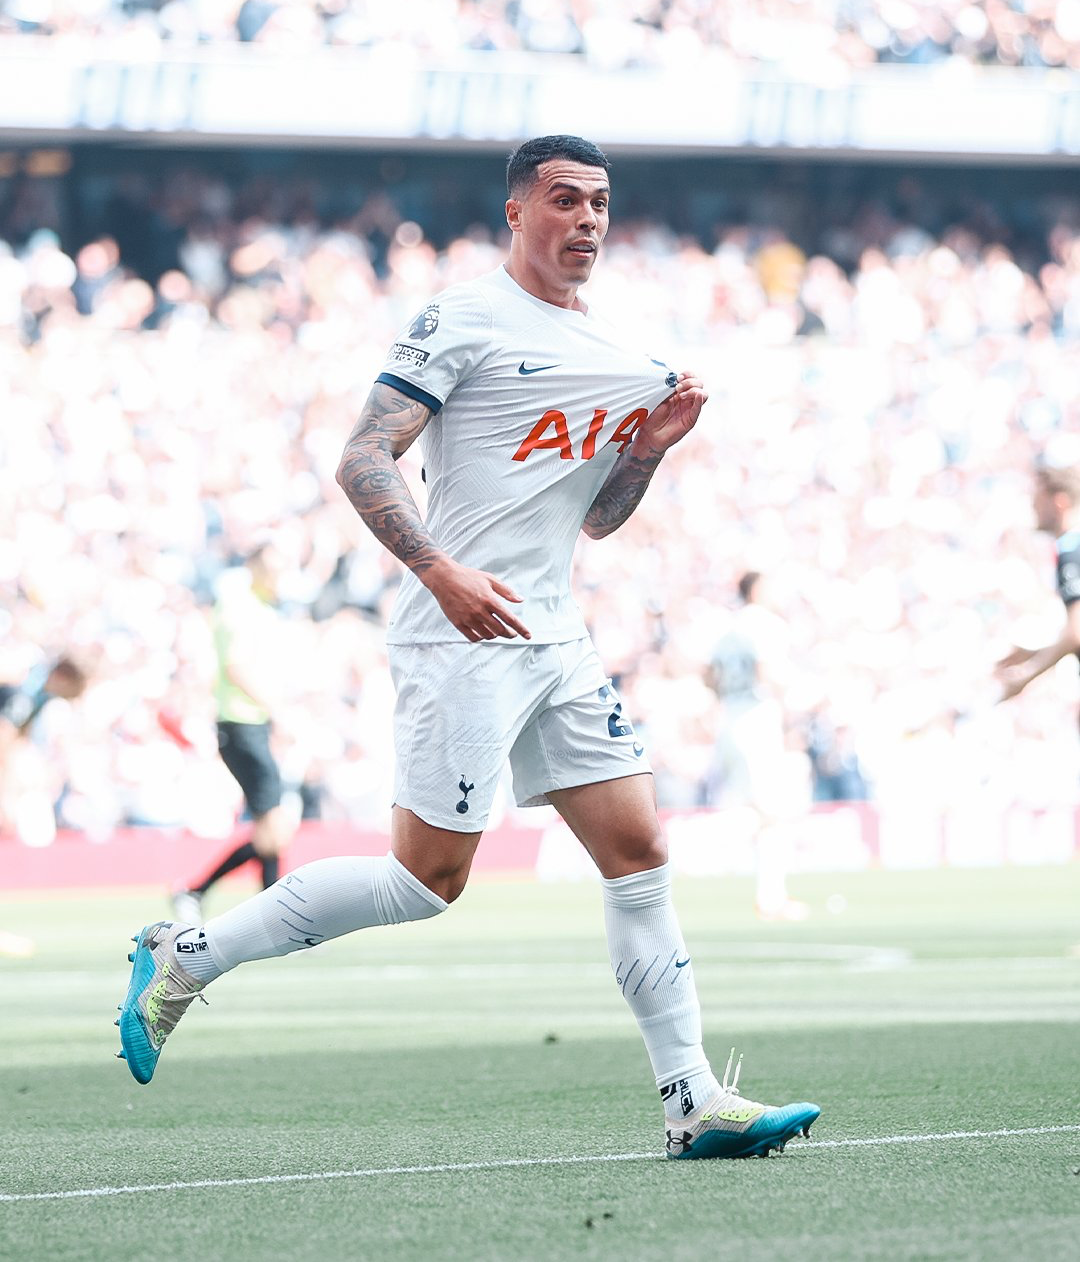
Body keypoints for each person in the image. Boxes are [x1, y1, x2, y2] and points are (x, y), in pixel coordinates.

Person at [115, 134, 819, 1161]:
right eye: (565, 200)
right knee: (425, 882)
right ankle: (187, 954)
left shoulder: (626, 354)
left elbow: (600, 522)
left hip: (556, 633)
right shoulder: (466, 318)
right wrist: (439, 572)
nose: (587, 220)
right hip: (460, 632)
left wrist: (646, 454)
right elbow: (363, 457)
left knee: (639, 852)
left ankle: (692, 1100)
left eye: (601, 205)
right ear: (517, 213)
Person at [170, 544, 296, 925]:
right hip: (240, 724)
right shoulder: (240, 608)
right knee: (273, 828)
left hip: (250, 724)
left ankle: (202, 894)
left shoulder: (259, 608)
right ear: (254, 567)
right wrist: (280, 711)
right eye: (273, 567)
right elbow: (236, 668)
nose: (280, 576)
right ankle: (204, 893)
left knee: (271, 831)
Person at [707, 571, 811, 921]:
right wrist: (795, 715)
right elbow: (768, 671)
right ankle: (771, 898)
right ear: (758, 590)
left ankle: (765, 895)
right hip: (757, 717)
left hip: (731, 717)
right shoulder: (766, 624)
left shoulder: (727, 627)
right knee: (773, 813)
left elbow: (709, 675)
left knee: (752, 809)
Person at [0, 655, 88, 957]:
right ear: (62, 676)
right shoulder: (24, 691)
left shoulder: (32, 694)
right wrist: (6, 792)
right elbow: (4, 737)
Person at [995, 459, 1080, 720]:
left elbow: (1077, 631)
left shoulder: (1071, 551)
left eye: (1038, 499)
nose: (1032, 506)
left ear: (1059, 501)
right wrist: (1035, 652)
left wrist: (1027, 675)